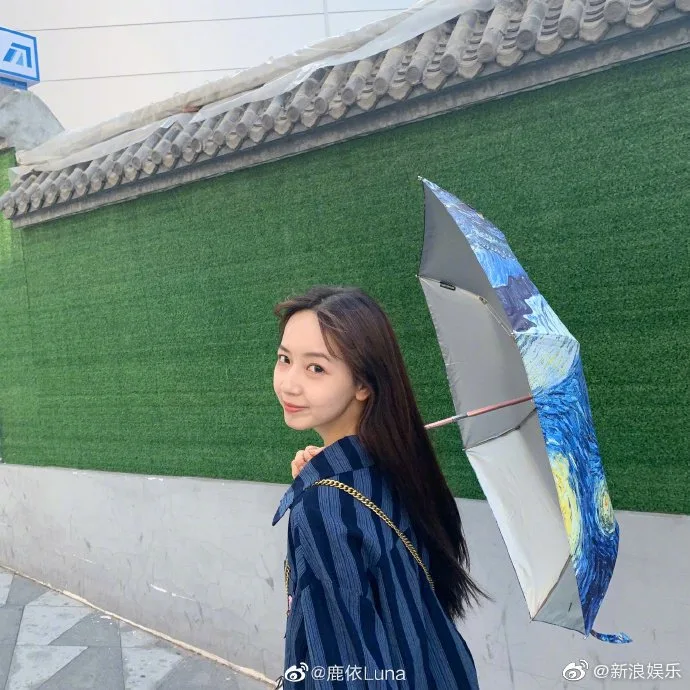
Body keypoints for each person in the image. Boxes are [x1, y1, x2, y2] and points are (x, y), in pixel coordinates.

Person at [271, 285, 490, 689]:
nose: (289, 383)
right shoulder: (397, 468)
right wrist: (320, 476)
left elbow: (345, 670)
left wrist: (319, 490)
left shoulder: (324, 507)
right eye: (285, 359)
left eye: (316, 368)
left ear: (363, 384)